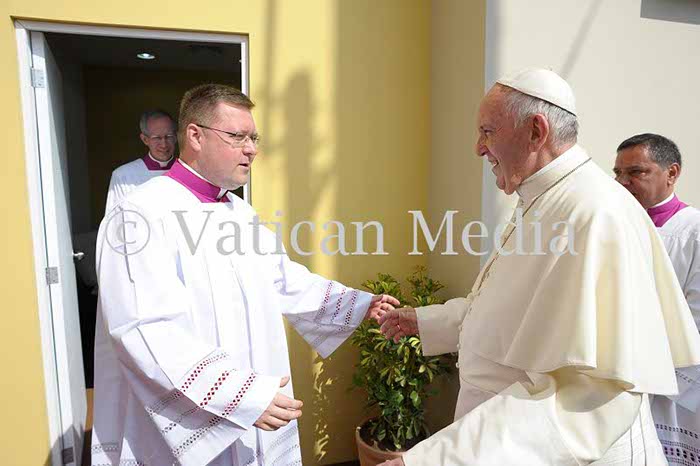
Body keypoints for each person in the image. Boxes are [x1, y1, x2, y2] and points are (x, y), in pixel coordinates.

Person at [377, 68, 700, 465]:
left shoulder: (594, 212)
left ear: (535, 131)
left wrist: (433, 460)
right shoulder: (542, 200)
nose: (478, 148)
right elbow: (505, 313)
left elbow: (589, 396)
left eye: (487, 132)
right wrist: (426, 322)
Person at [91, 84, 399, 466]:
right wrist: (239, 395)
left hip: (257, 407)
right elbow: (143, 328)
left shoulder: (239, 212)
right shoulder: (139, 213)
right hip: (195, 424)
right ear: (195, 136)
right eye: (238, 136)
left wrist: (356, 304)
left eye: (254, 138)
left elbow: (282, 279)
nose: (251, 149)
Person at [615, 133, 700, 464]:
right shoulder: (614, 226)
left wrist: (652, 369)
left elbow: (695, 318)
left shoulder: (693, 232)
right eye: (618, 173)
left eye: (636, 172)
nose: (623, 182)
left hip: (673, 389)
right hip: (621, 379)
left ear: (672, 173)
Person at [105, 109, 178, 210]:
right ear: (145, 139)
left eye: (169, 136)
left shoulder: (188, 171)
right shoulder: (124, 176)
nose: (164, 144)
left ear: (176, 137)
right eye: (157, 138)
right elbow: (116, 218)